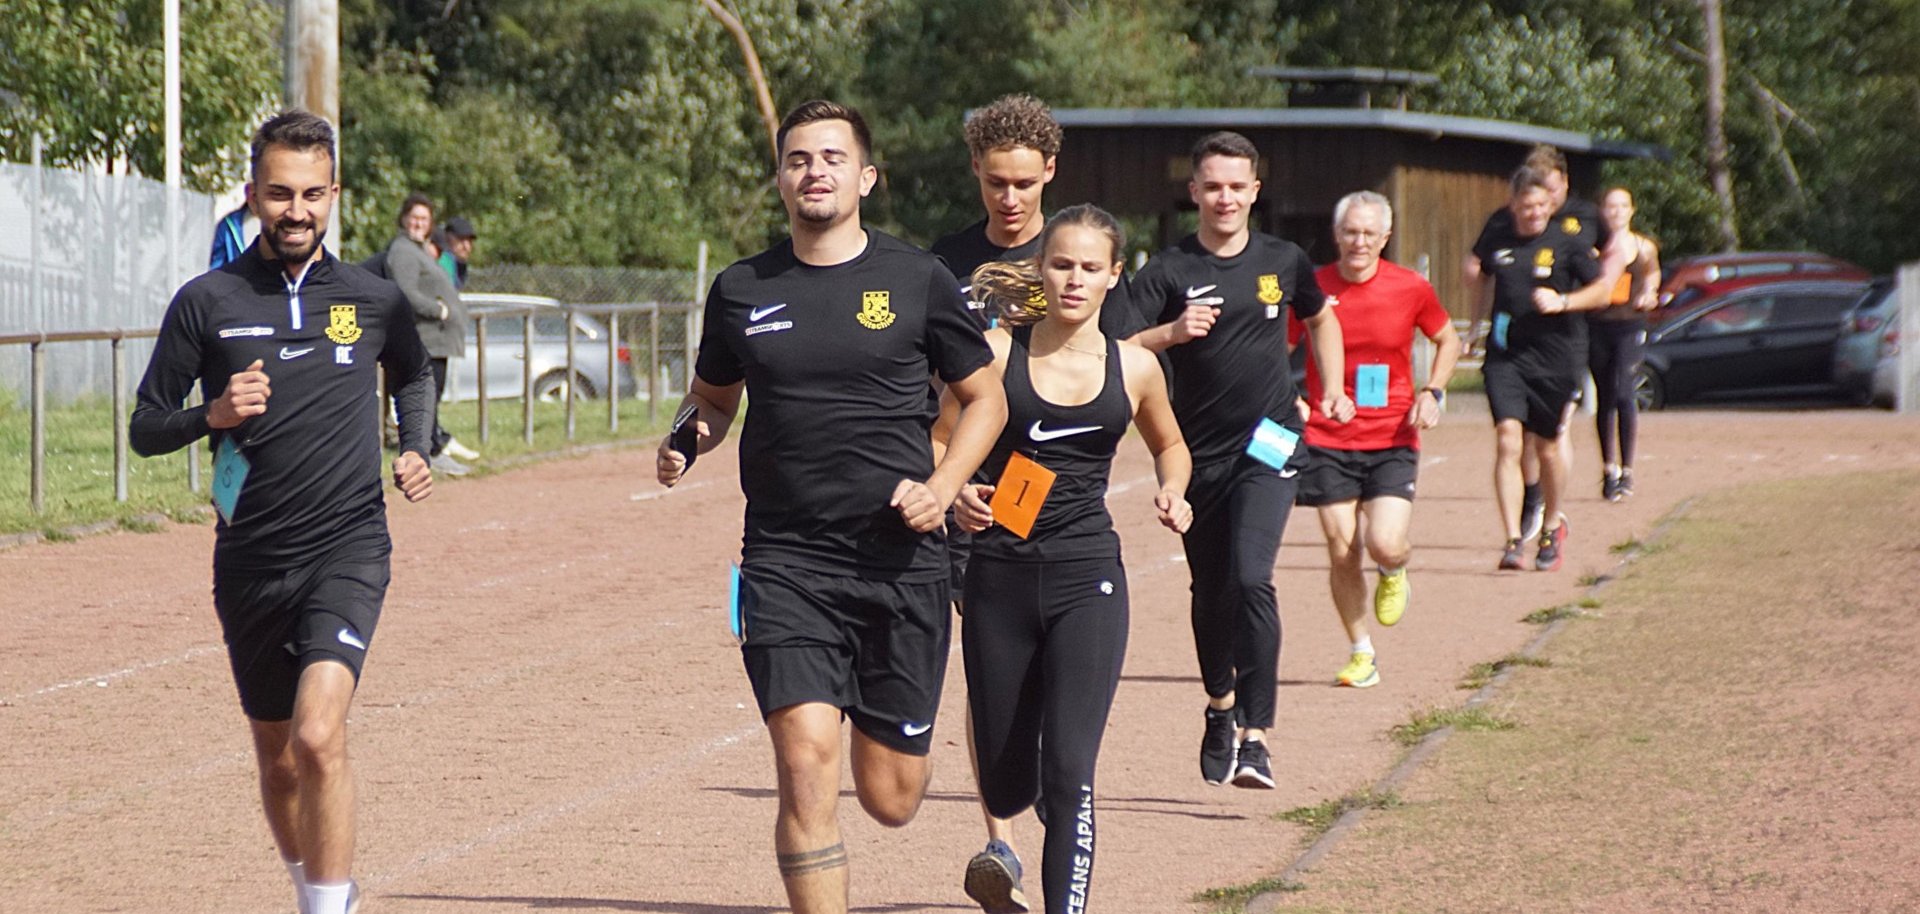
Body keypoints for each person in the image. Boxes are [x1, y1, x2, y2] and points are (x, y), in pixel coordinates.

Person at [655, 99, 1007, 914]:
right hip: (787, 561)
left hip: (900, 562)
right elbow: (712, 399)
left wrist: (944, 487)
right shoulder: (742, 287)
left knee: (891, 797)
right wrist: (686, 436)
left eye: (832, 158)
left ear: (866, 177)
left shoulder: (915, 278)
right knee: (806, 760)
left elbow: (984, 397)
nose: (815, 171)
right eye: (799, 159)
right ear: (781, 178)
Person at [128, 109, 436, 914]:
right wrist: (214, 415)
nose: (296, 210)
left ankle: (328, 908)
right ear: (253, 194)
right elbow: (145, 425)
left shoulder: (372, 298)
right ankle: (316, 888)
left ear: (334, 193)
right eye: (278, 194)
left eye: (311, 194)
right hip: (250, 561)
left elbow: (413, 371)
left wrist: (417, 444)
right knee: (277, 757)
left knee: (318, 735)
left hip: (349, 546)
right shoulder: (207, 301)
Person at [935, 204, 1191, 914]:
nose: (1074, 280)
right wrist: (957, 494)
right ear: (1040, 272)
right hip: (998, 579)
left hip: (1089, 577)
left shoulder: (1134, 366)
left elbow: (1171, 444)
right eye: (1061, 264)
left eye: (1089, 268)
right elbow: (938, 441)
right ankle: (1023, 797)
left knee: (1074, 770)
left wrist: (1175, 491)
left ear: (1114, 275)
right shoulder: (993, 354)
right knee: (1009, 778)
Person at [1132, 131, 1355, 789]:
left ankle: (1257, 738)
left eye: (1238, 186)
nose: (1225, 197)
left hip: (1272, 441)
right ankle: (1220, 705)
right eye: (1213, 186)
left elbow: (1320, 319)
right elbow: (1116, 341)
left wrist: (1331, 386)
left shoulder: (1284, 260)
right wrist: (1170, 333)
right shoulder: (1167, 271)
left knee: (1253, 577)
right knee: (1212, 590)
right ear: (1195, 191)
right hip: (1196, 454)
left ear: (1254, 191)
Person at [1288, 191, 1460, 689]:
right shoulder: (1314, 288)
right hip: (1328, 435)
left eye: (1369, 233)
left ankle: (1394, 571)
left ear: (1385, 237)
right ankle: (1360, 651)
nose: (1358, 242)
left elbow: (1448, 339)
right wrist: (1292, 400)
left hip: (1392, 435)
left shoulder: (1410, 287)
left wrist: (1433, 392)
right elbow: (1279, 349)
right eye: (1350, 232)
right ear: (1336, 235)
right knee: (1341, 548)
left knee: (1384, 543)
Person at [1464, 145, 1629, 541]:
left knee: (1549, 444)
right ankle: (1513, 537)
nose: (1537, 210)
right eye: (1528, 205)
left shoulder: (1572, 234)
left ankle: (1553, 518)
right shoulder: (1499, 231)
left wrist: (1565, 302)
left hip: (1559, 352)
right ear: (1514, 203)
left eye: (1545, 202)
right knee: (1509, 438)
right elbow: (1478, 268)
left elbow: (1607, 281)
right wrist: (1474, 326)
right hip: (1507, 354)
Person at [386, 193, 474, 475]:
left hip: (438, 342)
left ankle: (434, 448)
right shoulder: (402, 251)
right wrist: (438, 310)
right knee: (425, 400)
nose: (418, 223)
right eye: (414, 217)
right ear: (403, 219)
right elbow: (406, 292)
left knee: (433, 399)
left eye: (424, 219)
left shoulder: (419, 249)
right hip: (427, 339)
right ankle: (430, 453)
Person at [1589, 187, 1660, 501]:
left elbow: (1653, 273)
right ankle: (1609, 468)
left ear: (1631, 210)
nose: (1616, 211)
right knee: (1604, 395)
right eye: (1610, 205)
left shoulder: (1643, 247)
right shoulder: (1592, 248)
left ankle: (1628, 470)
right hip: (1598, 325)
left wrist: (1649, 292)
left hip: (1629, 325)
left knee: (1624, 391)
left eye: (1622, 206)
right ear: (1602, 210)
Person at [442, 215, 477, 290]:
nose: (466, 246)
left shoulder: (460, 265)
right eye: (461, 240)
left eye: (469, 241)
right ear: (447, 239)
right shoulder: (443, 263)